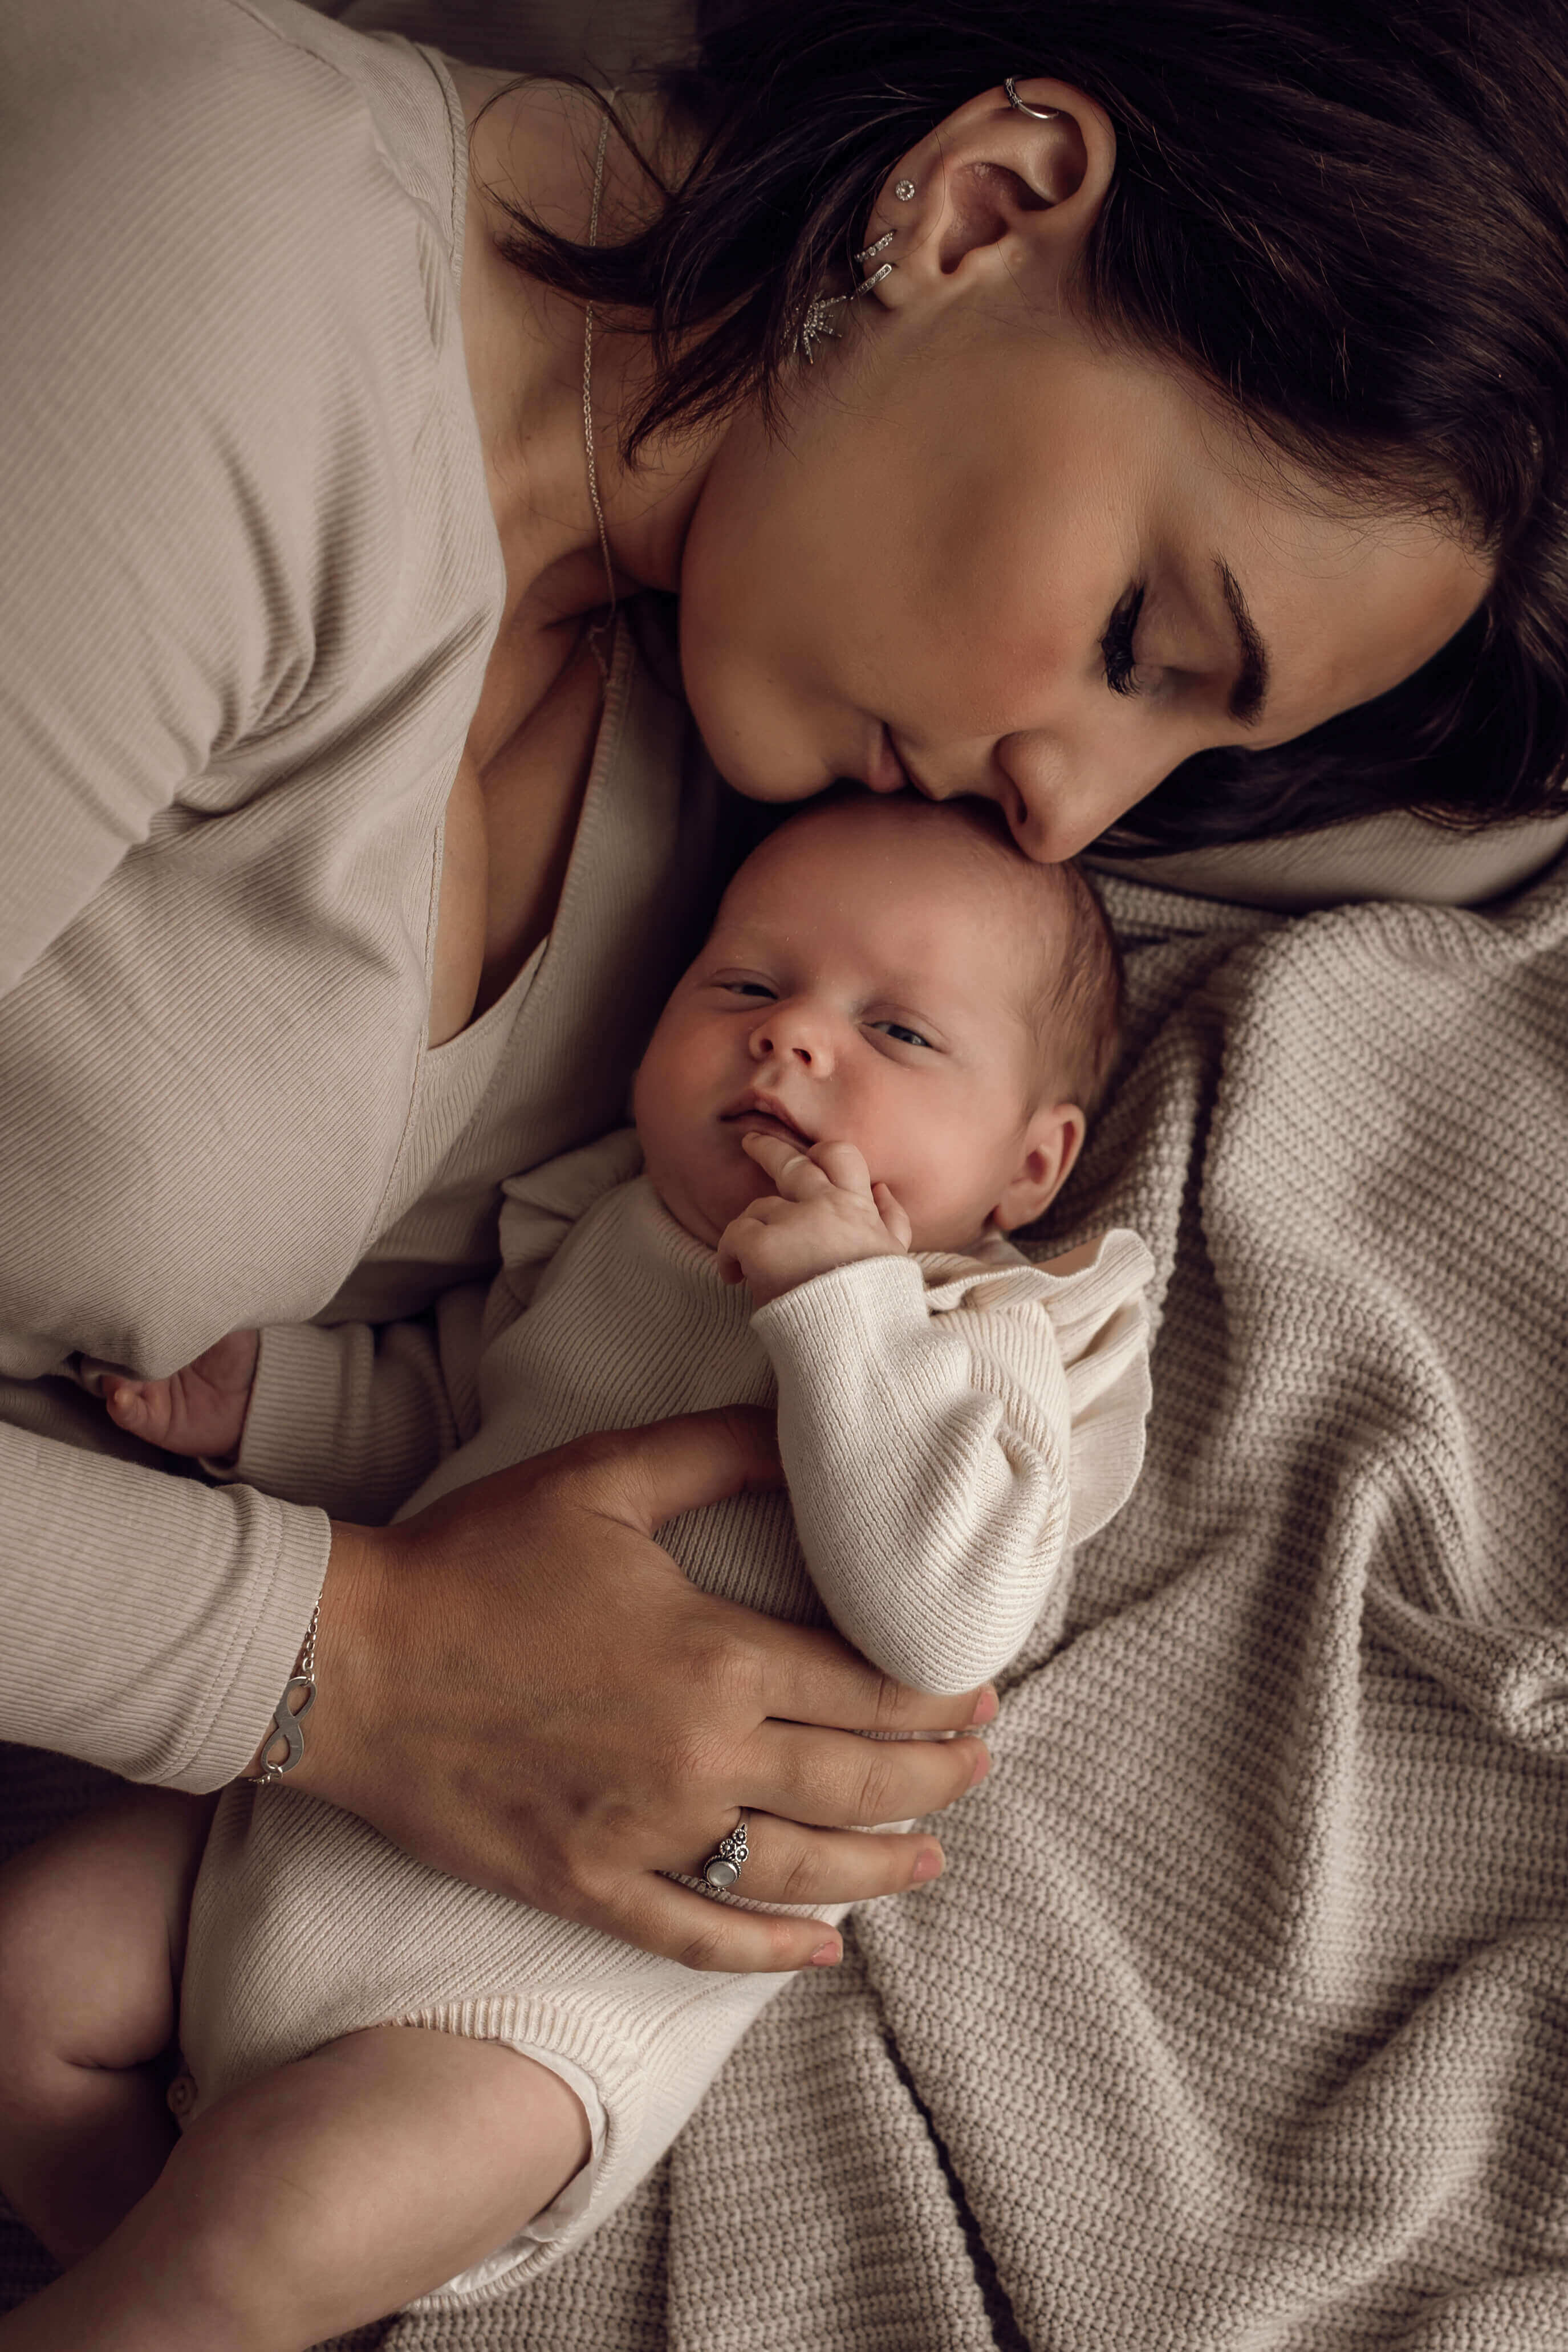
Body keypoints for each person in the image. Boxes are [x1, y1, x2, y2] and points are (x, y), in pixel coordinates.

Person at [1, 0, 1563, 2305]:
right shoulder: (222, 259)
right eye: (1140, 638)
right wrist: (353, 1661)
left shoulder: (761, 728)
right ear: (978, 207)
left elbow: (1451, 852)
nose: (1069, 804)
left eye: (1180, 756)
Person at [0, 792, 1152, 2340]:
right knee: (26, 1981)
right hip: (301, 1817)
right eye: (745, 986)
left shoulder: (991, 1342)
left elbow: (946, 1613)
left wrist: (850, 1310)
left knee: (264, 2234)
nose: (793, 1041)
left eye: (900, 1032)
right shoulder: (600, 1227)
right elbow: (452, 1429)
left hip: (529, 2003)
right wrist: (263, 1405)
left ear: (1032, 1162)